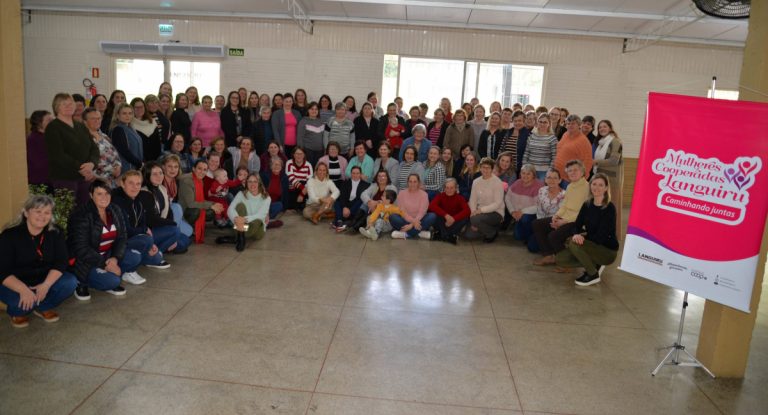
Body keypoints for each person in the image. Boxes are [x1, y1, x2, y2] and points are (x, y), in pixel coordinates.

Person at [0, 195, 77, 328]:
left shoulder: (56, 232)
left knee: (70, 282)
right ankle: (19, 311)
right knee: (20, 305)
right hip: (15, 282)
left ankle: (42, 306)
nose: (42, 216)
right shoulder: (9, 235)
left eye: (47, 212)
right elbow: (2, 270)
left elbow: (61, 262)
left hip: (43, 279)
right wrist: (23, 290)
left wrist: (46, 285)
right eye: (38, 211)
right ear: (26, 213)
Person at [67, 180, 143, 300]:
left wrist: (115, 258)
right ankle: (81, 282)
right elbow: (81, 249)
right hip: (86, 262)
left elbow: (122, 237)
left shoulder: (115, 209)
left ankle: (107, 276)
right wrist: (105, 264)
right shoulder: (81, 214)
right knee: (113, 282)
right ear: (91, 195)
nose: (104, 197)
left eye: (107, 193)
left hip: (108, 255)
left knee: (135, 257)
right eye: (99, 194)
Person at [555, 173, 619, 286]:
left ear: (606, 188)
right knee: (560, 259)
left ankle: (593, 274)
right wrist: (576, 234)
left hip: (607, 250)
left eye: (600, 185)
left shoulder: (609, 208)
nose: (596, 187)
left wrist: (582, 239)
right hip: (592, 244)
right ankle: (594, 263)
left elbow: (601, 236)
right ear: (590, 186)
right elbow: (576, 225)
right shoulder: (587, 204)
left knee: (574, 243)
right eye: (594, 184)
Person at [44, 93, 100, 205]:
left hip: (84, 178)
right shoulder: (53, 127)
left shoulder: (80, 126)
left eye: (71, 103)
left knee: (85, 210)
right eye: (64, 104)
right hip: (64, 178)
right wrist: (82, 168)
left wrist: (92, 164)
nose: (68, 106)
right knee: (67, 212)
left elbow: (94, 148)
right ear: (57, 107)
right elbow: (58, 155)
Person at [110, 171, 171, 274]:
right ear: (122, 184)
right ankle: (128, 270)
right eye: (131, 183)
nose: (135, 187)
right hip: (120, 243)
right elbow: (126, 231)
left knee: (156, 256)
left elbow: (143, 223)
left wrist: (150, 243)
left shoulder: (138, 201)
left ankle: (142, 255)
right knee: (145, 241)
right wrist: (145, 231)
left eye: (138, 184)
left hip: (135, 238)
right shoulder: (117, 202)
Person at [532, 160, 590, 265]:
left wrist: (564, 222)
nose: (572, 172)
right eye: (570, 170)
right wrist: (556, 216)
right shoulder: (570, 186)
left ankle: (566, 262)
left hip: (577, 222)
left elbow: (583, 213)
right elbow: (564, 206)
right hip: (565, 218)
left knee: (554, 236)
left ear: (582, 172)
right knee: (537, 224)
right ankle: (549, 256)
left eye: (575, 170)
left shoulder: (587, 188)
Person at [140, 162, 190, 254]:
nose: (159, 176)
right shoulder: (144, 193)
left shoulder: (162, 188)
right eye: (154, 174)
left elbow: (169, 212)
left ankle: (167, 244)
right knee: (175, 232)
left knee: (185, 239)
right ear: (147, 176)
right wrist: (172, 224)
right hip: (148, 231)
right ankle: (157, 254)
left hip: (160, 227)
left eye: (160, 173)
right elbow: (151, 220)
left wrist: (171, 226)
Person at [178, 159, 225, 243]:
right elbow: (191, 204)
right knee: (196, 211)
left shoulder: (199, 180)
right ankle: (188, 225)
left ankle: (193, 226)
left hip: (191, 207)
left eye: (205, 170)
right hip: (183, 211)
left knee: (211, 211)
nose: (202, 172)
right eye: (199, 168)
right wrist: (211, 205)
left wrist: (214, 204)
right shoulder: (187, 181)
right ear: (193, 169)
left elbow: (201, 200)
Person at [593, 119, 624, 237]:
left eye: (604, 126)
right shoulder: (601, 143)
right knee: (602, 208)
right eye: (600, 127)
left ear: (610, 128)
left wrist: (595, 162)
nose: (602, 129)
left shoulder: (615, 141)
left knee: (612, 208)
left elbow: (613, 161)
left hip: (612, 181)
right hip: (602, 179)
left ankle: (612, 235)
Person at [464, 157, 505, 243]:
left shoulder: (497, 182)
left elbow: (497, 203)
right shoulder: (476, 181)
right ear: (480, 168)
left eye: (488, 168)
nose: (485, 170)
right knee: (469, 235)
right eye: (483, 167)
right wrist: (473, 212)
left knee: (475, 220)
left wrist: (479, 212)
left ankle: (491, 233)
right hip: (479, 213)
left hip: (496, 212)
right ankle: (487, 227)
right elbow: (473, 200)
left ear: (492, 169)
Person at [228, 173, 272, 251]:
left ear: (259, 183)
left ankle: (237, 236)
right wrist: (236, 218)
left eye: (255, 181)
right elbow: (230, 209)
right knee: (240, 206)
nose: (252, 184)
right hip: (242, 224)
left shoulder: (266, 197)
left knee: (258, 220)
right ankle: (241, 238)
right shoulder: (241, 194)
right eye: (250, 181)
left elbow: (261, 215)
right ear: (246, 183)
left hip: (257, 230)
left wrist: (243, 220)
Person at [506, 164, 544, 247]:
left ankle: (532, 235)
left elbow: (539, 206)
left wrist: (522, 211)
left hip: (533, 215)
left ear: (533, 175)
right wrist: (512, 211)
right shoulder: (517, 183)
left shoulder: (539, 186)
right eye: (523, 173)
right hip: (518, 214)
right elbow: (507, 198)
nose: (525, 176)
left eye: (528, 174)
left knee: (525, 219)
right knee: (518, 236)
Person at [529, 168, 566, 252]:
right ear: (545, 179)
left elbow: (562, 214)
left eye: (555, 178)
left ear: (560, 180)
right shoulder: (542, 190)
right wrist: (540, 226)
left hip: (556, 224)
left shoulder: (564, 194)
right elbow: (539, 210)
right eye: (549, 177)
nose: (551, 180)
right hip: (542, 223)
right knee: (532, 247)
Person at [83, 107, 122, 187]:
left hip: (112, 182)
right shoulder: (82, 138)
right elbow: (88, 161)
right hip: (96, 183)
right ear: (85, 122)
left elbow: (115, 154)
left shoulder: (104, 136)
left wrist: (118, 166)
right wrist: (111, 170)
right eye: (93, 119)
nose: (97, 121)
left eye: (98, 118)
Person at [389, 174, 435, 239]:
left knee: (432, 216)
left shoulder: (424, 194)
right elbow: (403, 212)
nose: (412, 184)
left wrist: (411, 225)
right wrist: (413, 222)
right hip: (405, 220)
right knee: (392, 217)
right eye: (410, 181)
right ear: (407, 183)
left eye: (415, 182)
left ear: (418, 183)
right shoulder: (402, 193)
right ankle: (419, 233)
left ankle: (406, 234)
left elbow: (422, 212)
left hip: (420, 220)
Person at [428, 177, 470, 244]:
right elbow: (431, 206)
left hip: (454, 223)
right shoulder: (440, 196)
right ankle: (449, 236)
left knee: (465, 218)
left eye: (451, 188)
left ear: (455, 188)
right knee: (435, 215)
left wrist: (453, 219)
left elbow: (467, 210)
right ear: (444, 188)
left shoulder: (460, 198)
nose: (449, 190)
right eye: (447, 188)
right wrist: (446, 215)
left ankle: (441, 235)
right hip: (442, 222)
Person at [553, 115, 593, 186]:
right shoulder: (565, 134)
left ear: (579, 125)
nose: (570, 125)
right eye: (568, 123)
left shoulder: (583, 141)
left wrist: (581, 180)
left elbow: (588, 162)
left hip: (569, 179)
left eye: (573, 123)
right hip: (557, 175)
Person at [161, 154, 194, 238]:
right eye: (170, 166)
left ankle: (174, 233)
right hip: (162, 215)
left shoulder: (176, 182)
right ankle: (172, 234)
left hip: (173, 214)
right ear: (163, 167)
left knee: (189, 231)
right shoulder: (159, 181)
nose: (173, 169)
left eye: (176, 167)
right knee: (176, 206)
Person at [333, 165, 369, 232]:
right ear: (351, 174)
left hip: (355, 206)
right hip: (346, 204)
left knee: (361, 201)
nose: (355, 175)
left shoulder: (366, 185)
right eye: (353, 173)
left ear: (360, 174)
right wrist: (344, 207)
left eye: (357, 173)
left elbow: (362, 198)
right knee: (336, 202)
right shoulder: (345, 183)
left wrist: (349, 210)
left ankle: (341, 218)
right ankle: (340, 220)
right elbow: (342, 196)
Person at [524, 113, 558, 180]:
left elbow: (554, 157)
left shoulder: (552, 138)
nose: (542, 124)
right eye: (540, 122)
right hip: (530, 170)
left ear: (549, 124)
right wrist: (524, 167)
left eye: (545, 122)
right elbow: (526, 153)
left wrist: (550, 170)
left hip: (544, 172)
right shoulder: (532, 136)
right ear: (537, 122)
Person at [110, 103, 144, 172]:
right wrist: (139, 164)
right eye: (124, 113)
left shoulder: (131, 128)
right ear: (117, 115)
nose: (127, 116)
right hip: (126, 168)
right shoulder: (118, 129)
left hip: (135, 167)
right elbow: (124, 151)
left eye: (130, 113)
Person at [130, 97, 162, 162]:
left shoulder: (152, 122)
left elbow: (157, 142)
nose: (139, 109)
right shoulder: (129, 124)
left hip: (154, 159)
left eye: (141, 107)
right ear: (132, 109)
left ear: (145, 108)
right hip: (139, 160)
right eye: (136, 107)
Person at [27, 109, 53, 186]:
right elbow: (39, 163)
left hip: (51, 180)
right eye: (49, 120)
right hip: (40, 182)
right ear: (39, 123)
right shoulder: (33, 139)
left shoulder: (50, 137)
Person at [259, 157, 288, 227]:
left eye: (278, 164)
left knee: (279, 205)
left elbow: (286, 194)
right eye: (274, 164)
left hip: (273, 204)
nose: (276, 166)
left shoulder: (284, 177)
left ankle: (265, 220)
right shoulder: (264, 176)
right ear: (271, 166)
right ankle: (265, 222)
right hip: (263, 202)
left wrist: (285, 208)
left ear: (281, 167)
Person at [499, 110, 529, 175]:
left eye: (520, 120)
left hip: (519, 169)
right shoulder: (509, 132)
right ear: (512, 121)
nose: (517, 123)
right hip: (505, 167)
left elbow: (528, 153)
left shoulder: (528, 134)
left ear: (524, 121)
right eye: (515, 121)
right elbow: (502, 149)